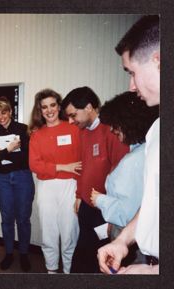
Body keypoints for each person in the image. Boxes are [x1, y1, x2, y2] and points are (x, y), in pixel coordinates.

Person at [97, 15, 160, 274]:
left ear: (159, 61)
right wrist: (123, 241)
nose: (131, 86)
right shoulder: (158, 130)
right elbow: (156, 200)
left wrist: (154, 272)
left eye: (132, 72)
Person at [61, 86, 129, 273]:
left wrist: (112, 218)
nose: (71, 120)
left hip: (104, 211)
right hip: (86, 206)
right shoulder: (83, 131)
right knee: (83, 258)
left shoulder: (112, 130)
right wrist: (78, 195)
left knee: (98, 263)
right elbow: (84, 167)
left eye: (73, 115)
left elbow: (121, 175)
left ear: (89, 107)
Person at [90, 91, 159, 265]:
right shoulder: (141, 149)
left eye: (115, 125)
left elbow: (128, 213)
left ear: (128, 123)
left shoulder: (135, 160)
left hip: (129, 237)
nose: (112, 130)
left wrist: (99, 200)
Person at [28, 89, 81, 274]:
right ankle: (51, 271)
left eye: (52, 105)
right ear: (40, 110)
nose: (49, 110)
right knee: (49, 232)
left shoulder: (74, 129)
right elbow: (35, 165)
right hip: (47, 187)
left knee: (69, 232)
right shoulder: (37, 135)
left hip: (70, 186)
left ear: (59, 107)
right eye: (44, 107)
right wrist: (63, 167)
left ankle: (68, 271)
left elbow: (83, 161)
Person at [0, 97, 35, 272]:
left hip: (22, 177)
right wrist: (10, 149)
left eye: (4, 112)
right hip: (4, 179)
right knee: (7, 219)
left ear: (10, 111)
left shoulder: (23, 130)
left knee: (23, 219)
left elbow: (27, 157)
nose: (1, 117)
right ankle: (8, 253)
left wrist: (3, 154)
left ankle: (23, 254)